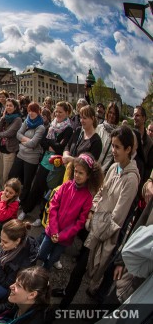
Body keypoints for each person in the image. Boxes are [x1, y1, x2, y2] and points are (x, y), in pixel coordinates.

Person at [53, 126, 140, 308]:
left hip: (103, 232)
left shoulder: (131, 179)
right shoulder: (114, 167)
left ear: (129, 149)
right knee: (78, 270)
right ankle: (67, 294)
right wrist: (92, 212)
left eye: (117, 147)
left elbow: (118, 216)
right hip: (94, 224)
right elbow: (101, 193)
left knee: (83, 271)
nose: (114, 151)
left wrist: (95, 223)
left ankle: (63, 308)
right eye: (113, 146)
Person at [37, 154, 104, 271]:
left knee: (52, 259)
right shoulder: (66, 186)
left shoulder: (88, 197)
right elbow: (53, 206)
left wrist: (62, 236)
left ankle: (43, 273)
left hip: (65, 239)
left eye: (81, 173)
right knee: (41, 254)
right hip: (51, 232)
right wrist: (54, 230)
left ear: (88, 176)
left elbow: (80, 222)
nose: (77, 175)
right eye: (76, 171)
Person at [18, 102, 73, 224]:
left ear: (67, 113)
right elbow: (43, 142)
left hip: (56, 165)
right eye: (56, 111)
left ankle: (41, 216)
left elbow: (61, 147)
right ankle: (25, 210)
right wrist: (52, 144)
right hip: (45, 161)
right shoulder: (52, 125)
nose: (57, 114)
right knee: (36, 187)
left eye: (61, 112)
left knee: (48, 192)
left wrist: (51, 143)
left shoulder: (69, 129)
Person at [8, 102, 45, 207]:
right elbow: (17, 134)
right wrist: (27, 141)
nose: (31, 113)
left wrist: (24, 142)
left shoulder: (41, 127)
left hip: (31, 159)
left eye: (34, 111)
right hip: (21, 154)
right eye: (29, 110)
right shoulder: (26, 122)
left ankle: (22, 204)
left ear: (38, 112)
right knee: (12, 176)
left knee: (27, 182)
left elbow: (34, 143)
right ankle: (12, 198)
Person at [0, 99, 23, 189]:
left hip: (10, 150)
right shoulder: (5, 118)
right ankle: (1, 192)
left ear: (15, 107)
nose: (8, 107)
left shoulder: (18, 119)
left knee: (5, 176)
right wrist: (3, 117)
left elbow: (10, 133)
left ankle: (6, 195)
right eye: (7, 105)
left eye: (10, 105)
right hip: (2, 149)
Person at [96, 102, 120, 173]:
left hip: (106, 171)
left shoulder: (118, 133)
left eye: (114, 114)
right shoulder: (99, 128)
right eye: (110, 112)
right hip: (93, 167)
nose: (111, 115)